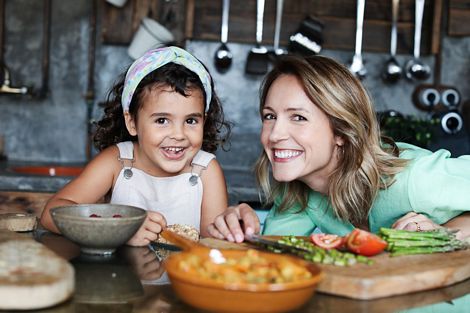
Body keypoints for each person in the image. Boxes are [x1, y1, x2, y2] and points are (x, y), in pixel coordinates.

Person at [207, 54, 470, 243]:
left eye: (298, 117)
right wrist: (240, 231)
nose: (274, 135)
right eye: (269, 116)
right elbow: (275, 257)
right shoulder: (301, 192)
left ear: (341, 131)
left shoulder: (412, 179)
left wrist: (450, 233)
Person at [41, 46, 231, 246]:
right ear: (132, 122)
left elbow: (216, 245)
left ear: (204, 120)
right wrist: (119, 228)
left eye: (191, 121)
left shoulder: (206, 170)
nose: (178, 135)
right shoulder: (117, 162)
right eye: (162, 120)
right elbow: (51, 214)